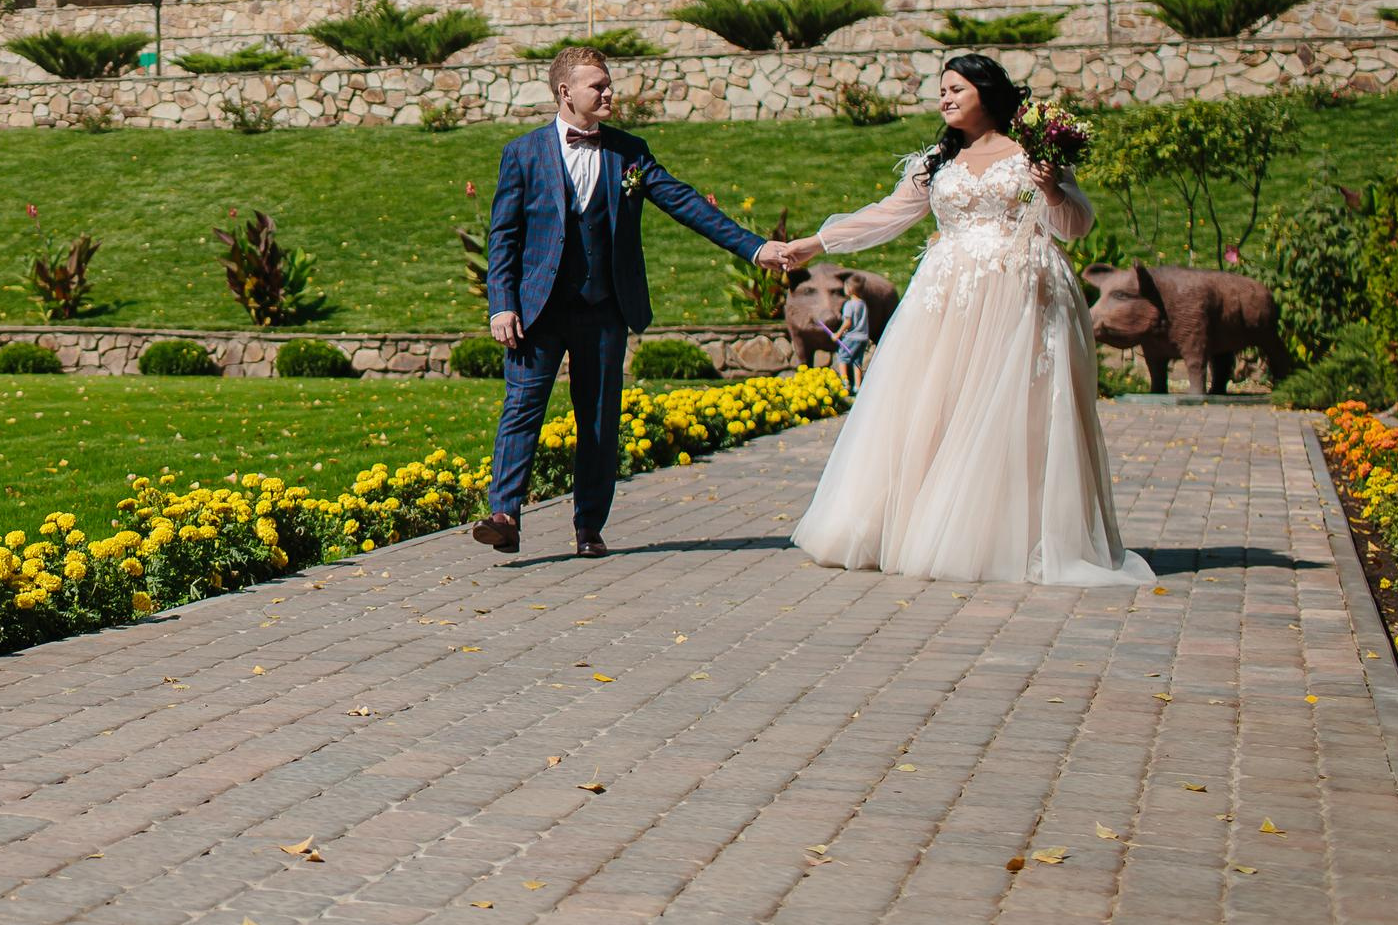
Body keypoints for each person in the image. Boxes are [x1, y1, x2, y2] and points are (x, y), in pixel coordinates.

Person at [779, 53, 1152, 586]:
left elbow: (1075, 226)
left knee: (1016, 413)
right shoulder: (937, 160)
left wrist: (1051, 189)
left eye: (956, 88)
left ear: (986, 91)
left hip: (1025, 294)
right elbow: (886, 216)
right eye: (942, 91)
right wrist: (814, 244)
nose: (945, 99)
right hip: (947, 297)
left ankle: (1009, 538)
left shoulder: (1033, 151)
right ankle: (925, 529)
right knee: (938, 406)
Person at [476, 46, 775, 558]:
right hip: (535, 310)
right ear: (566, 92)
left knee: (597, 420)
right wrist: (501, 304)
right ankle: (505, 514)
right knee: (522, 409)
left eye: (609, 83)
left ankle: (589, 527)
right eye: (599, 85)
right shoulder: (522, 153)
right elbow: (503, 236)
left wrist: (755, 246)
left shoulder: (629, 151)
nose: (610, 92)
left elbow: (682, 201)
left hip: (604, 309)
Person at [831, 278, 871, 391]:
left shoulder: (849, 305)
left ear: (850, 289)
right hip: (863, 337)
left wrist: (837, 334)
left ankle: (845, 383)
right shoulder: (863, 304)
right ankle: (857, 386)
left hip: (852, 337)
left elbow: (848, 322)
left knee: (842, 358)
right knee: (857, 361)